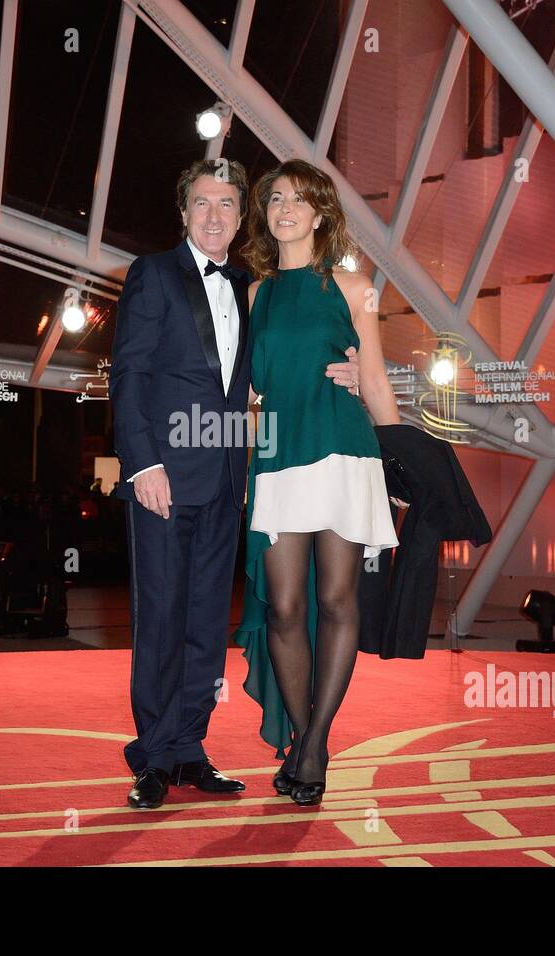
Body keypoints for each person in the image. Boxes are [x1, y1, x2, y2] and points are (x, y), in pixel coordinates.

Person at [110, 158, 361, 810]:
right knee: (160, 622)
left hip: (228, 482)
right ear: (184, 212)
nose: (216, 215)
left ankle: (191, 750)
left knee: (203, 627)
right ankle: (154, 758)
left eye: (227, 203)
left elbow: (280, 368)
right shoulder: (153, 275)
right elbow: (129, 374)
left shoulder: (256, 287)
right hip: (163, 481)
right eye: (203, 203)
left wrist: (355, 374)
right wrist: (142, 466)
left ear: (240, 215)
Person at [231, 159, 401, 806]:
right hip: (278, 458)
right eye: (275, 198)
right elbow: (250, 393)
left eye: (299, 199)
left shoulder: (355, 287)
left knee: (335, 601)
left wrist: (401, 463)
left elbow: (378, 379)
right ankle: (307, 739)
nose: (285, 208)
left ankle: (314, 745)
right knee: (283, 608)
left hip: (342, 451)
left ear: (322, 213)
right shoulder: (258, 294)